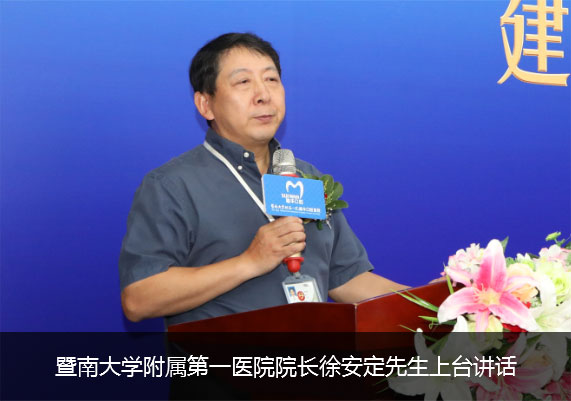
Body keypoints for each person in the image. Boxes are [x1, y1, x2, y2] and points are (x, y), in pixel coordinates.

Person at [119, 33, 408, 326]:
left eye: (271, 80)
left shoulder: (306, 177)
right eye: (243, 82)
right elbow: (139, 298)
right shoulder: (172, 185)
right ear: (205, 104)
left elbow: (349, 279)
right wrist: (249, 262)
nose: (263, 95)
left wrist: (430, 302)